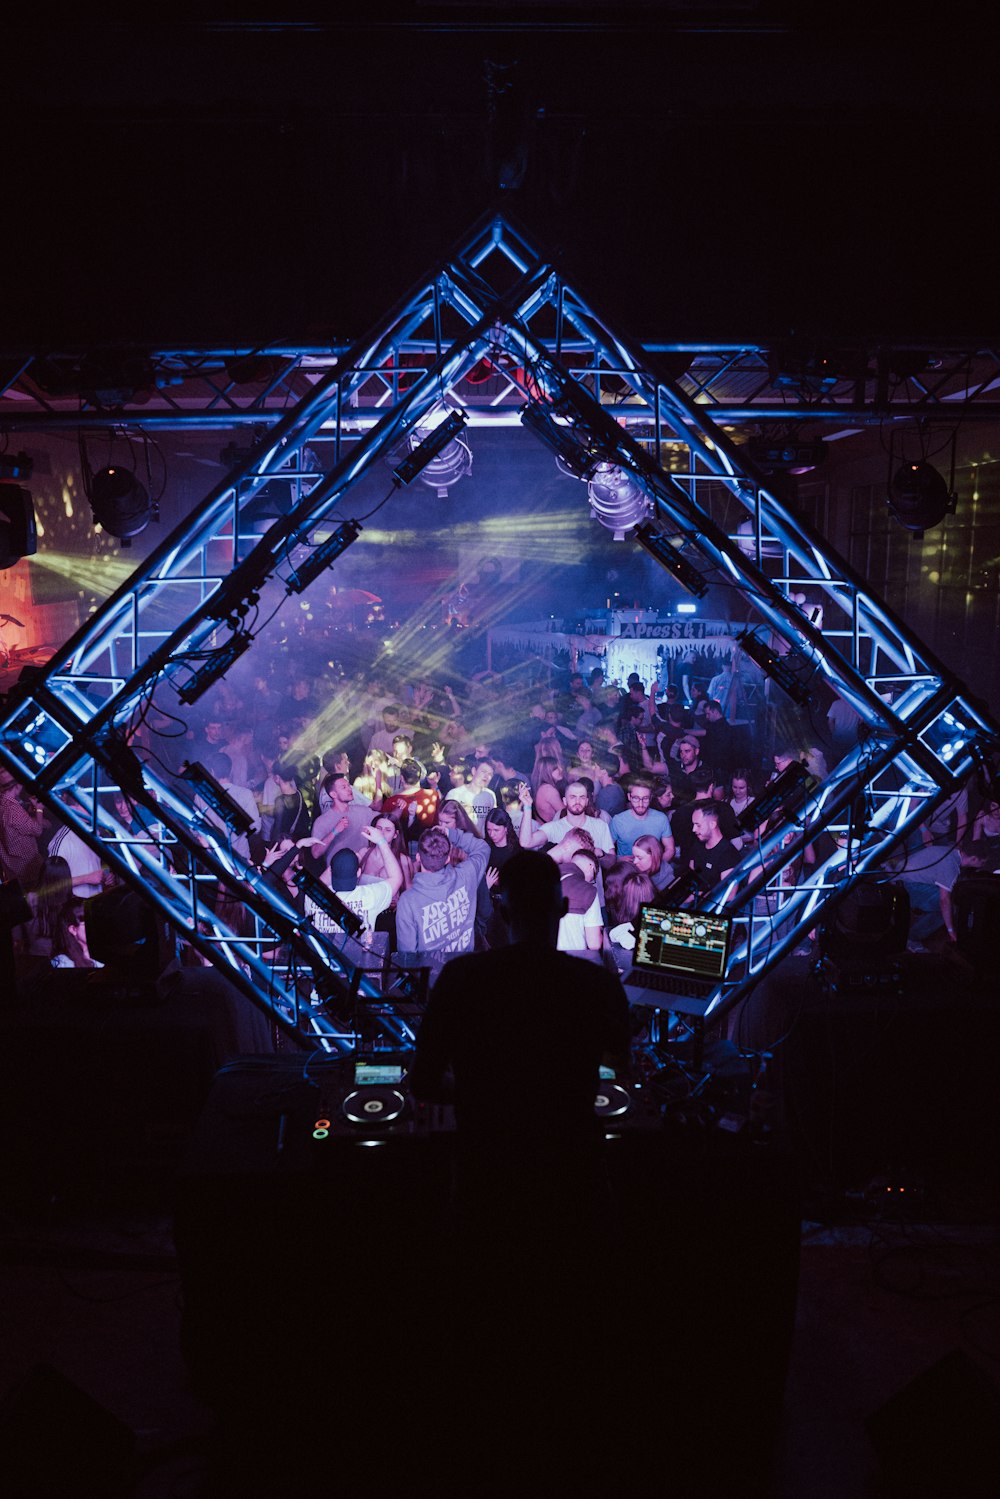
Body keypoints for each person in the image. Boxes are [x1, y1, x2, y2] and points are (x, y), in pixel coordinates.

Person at [408, 849, 630, 1228]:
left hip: (486, 1171)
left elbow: (423, 1081)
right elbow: (621, 1063)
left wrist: (480, 1092)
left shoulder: (461, 978)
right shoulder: (597, 984)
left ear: (505, 913)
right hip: (573, 1173)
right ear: (562, 908)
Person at [395, 821, 490, 961]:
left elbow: (407, 956)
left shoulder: (407, 901)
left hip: (433, 980)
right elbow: (483, 847)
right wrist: (451, 834)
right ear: (447, 859)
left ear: (418, 857)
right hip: (466, 970)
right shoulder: (467, 874)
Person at [609, 780, 672, 859]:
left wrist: (656, 865)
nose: (640, 804)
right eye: (636, 798)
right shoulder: (618, 820)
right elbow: (608, 851)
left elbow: (670, 849)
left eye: (645, 798)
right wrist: (620, 861)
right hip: (627, 869)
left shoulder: (661, 818)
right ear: (629, 797)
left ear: (651, 798)